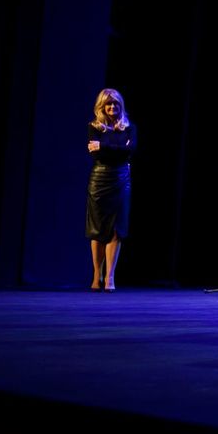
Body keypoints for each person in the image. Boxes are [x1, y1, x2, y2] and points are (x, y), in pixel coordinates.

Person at [87, 88, 136, 292]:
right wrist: (114, 150)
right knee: (97, 231)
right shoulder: (94, 127)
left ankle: (110, 277)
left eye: (115, 104)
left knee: (117, 229)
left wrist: (104, 147)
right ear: (102, 106)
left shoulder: (128, 128)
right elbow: (96, 154)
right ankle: (96, 275)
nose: (112, 107)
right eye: (108, 104)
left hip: (120, 179)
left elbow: (129, 151)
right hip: (99, 179)